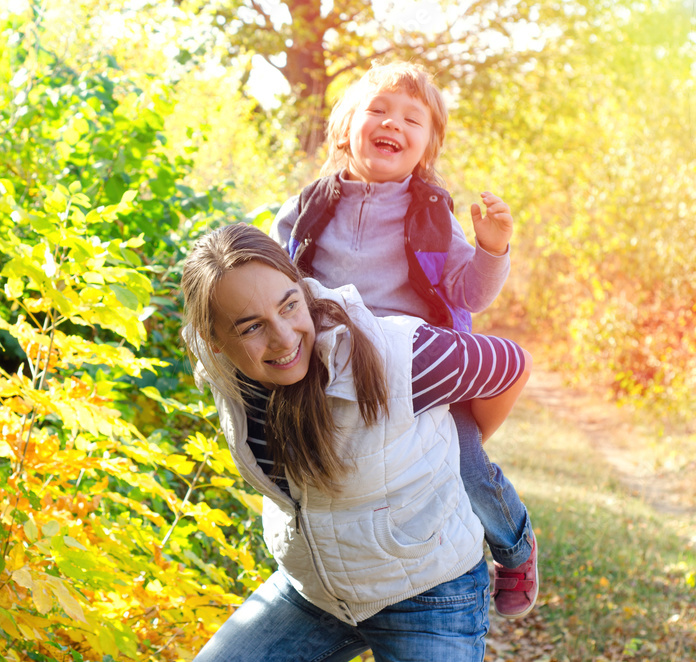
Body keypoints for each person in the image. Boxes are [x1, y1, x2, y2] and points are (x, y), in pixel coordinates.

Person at [181, 223, 532, 661]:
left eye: (289, 306)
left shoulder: (398, 356)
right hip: (315, 593)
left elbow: (511, 365)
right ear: (215, 342)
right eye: (252, 327)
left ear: (302, 289)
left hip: (427, 594)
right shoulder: (230, 381)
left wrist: (457, 444)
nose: (283, 338)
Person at [270, 61, 538, 619]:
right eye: (378, 110)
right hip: (332, 364)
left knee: (461, 457)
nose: (393, 122)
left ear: (426, 148)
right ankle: (319, 567)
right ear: (346, 126)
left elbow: (467, 292)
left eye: (412, 118)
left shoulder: (433, 215)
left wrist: (492, 248)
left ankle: (514, 545)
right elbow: (276, 275)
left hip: (417, 363)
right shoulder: (309, 206)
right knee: (300, 458)